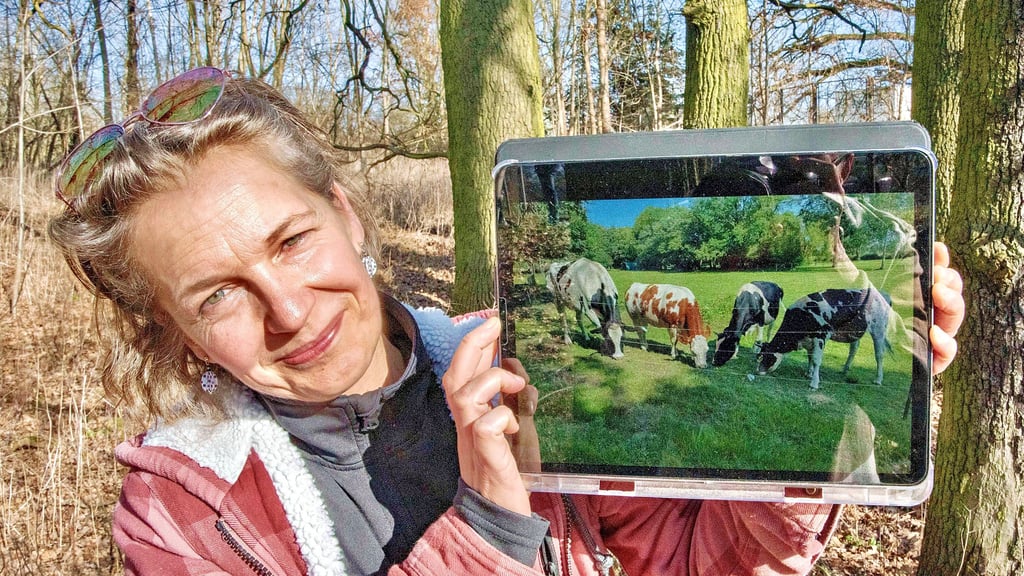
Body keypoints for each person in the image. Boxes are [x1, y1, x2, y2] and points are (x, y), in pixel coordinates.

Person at [49, 68, 965, 576]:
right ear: (176, 335)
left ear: (347, 215)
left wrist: (801, 474)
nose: (287, 311)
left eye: (291, 240)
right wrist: (488, 524)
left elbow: (690, 562)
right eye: (217, 295)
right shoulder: (184, 514)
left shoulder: (515, 369)